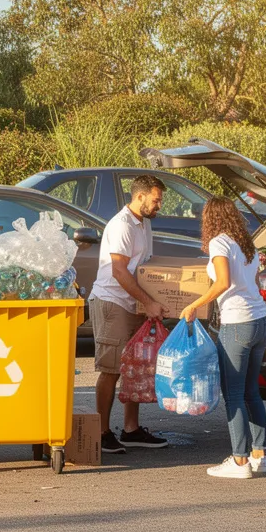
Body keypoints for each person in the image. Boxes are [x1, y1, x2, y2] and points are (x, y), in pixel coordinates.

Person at [182, 198, 266, 479]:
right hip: (261, 320)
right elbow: (252, 283)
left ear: (210, 218)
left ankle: (240, 461)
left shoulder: (220, 243)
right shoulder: (246, 244)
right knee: (251, 392)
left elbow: (223, 282)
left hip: (237, 324)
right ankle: (259, 456)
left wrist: (194, 305)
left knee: (233, 393)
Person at [90, 174, 170, 454]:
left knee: (134, 367)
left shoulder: (143, 223)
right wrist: (148, 303)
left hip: (132, 302)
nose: (159, 204)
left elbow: (144, 266)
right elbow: (119, 271)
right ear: (140, 196)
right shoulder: (122, 225)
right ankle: (101, 432)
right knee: (111, 369)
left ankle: (131, 429)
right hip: (112, 301)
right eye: (156, 199)